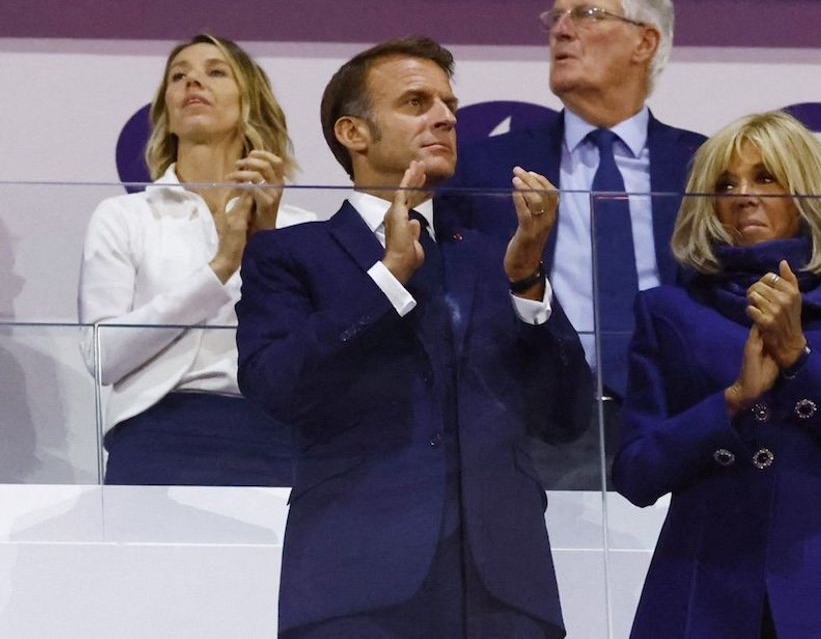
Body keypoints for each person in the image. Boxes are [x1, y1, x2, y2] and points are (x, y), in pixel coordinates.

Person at [234, 36, 593, 638]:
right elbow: (277, 388)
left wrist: (530, 282)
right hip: (355, 581)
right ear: (354, 133)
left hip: (504, 584)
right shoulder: (289, 255)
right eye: (416, 101)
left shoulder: (495, 258)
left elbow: (566, 418)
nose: (446, 117)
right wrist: (388, 278)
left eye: (449, 104)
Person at [614, 111, 821, 638]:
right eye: (725, 184)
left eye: (765, 177)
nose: (742, 195)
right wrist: (732, 401)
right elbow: (636, 475)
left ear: (807, 191)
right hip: (702, 589)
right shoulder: (668, 311)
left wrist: (800, 360)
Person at [448, 0, 706, 488]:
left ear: (645, 42)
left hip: (678, 418)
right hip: (532, 424)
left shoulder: (706, 167)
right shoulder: (484, 168)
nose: (561, 30)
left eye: (587, 14)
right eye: (556, 18)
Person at [78, 34, 312, 485]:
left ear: (250, 100)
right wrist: (220, 266)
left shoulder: (301, 224)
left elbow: (310, 357)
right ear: (166, 110)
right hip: (156, 433)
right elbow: (103, 355)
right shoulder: (124, 216)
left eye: (215, 72)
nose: (193, 82)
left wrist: (267, 245)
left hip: (277, 436)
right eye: (179, 75)